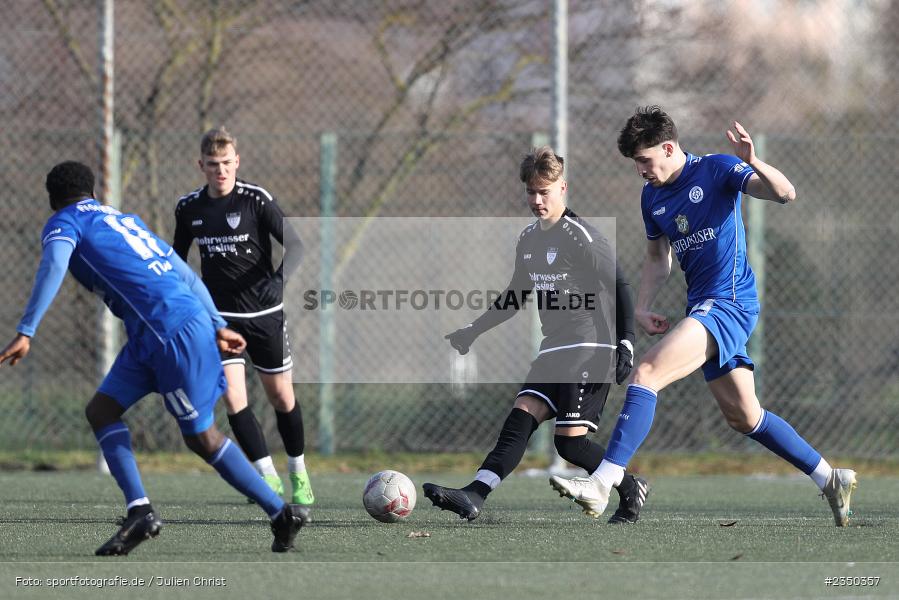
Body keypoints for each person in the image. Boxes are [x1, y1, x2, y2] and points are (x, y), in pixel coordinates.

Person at [549, 106, 857, 526]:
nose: (640, 170)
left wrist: (752, 161)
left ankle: (603, 482)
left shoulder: (717, 170)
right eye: (635, 163)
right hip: (703, 307)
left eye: (644, 160)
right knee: (745, 416)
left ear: (669, 147)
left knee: (647, 373)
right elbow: (659, 257)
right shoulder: (651, 197)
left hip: (729, 302)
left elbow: (786, 193)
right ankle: (830, 478)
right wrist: (641, 306)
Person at [0, 161, 306, 555]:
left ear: (53, 200)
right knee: (101, 410)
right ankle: (140, 511)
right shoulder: (123, 219)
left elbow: (55, 263)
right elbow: (186, 274)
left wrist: (27, 330)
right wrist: (216, 323)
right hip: (155, 333)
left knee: (202, 437)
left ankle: (280, 513)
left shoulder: (65, 222)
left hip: (170, 333)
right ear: (92, 192)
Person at [423, 146, 650, 524]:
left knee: (569, 444)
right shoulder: (528, 239)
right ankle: (474, 495)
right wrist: (473, 330)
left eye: (545, 191)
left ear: (563, 188)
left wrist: (626, 341)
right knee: (521, 416)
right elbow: (514, 297)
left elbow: (620, 285)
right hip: (554, 348)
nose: (537, 200)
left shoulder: (582, 236)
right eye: (531, 192)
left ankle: (629, 487)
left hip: (590, 347)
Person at [173, 127, 313, 510]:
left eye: (227, 163)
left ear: (238, 162)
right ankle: (266, 475)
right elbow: (177, 261)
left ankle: (298, 471)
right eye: (213, 165)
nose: (221, 171)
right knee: (235, 399)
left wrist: (279, 281)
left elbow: (297, 244)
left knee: (281, 397)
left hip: (265, 316)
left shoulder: (256, 200)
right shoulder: (189, 208)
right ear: (201, 165)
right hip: (219, 319)